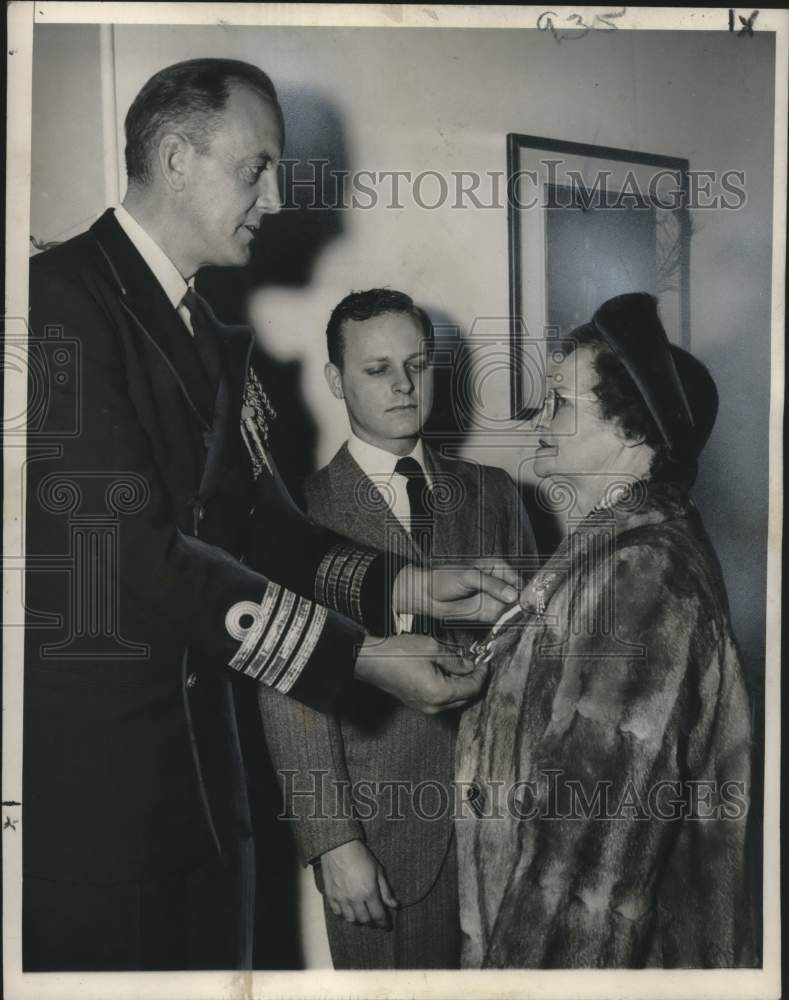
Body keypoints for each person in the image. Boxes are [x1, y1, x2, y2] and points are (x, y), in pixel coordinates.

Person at [22, 58, 517, 972]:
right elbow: (137, 558)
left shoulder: (204, 332)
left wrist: (407, 581)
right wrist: (361, 656)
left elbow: (265, 531)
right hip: (105, 799)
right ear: (176, 158)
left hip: (207, 793)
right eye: (257, 168)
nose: (277, 195)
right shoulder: (58, 301)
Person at [456, 292, 757, 968]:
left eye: (560, 402)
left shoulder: (642, 574)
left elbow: (585, 855)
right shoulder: (609, 552)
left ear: (629, 431)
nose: (539, 416)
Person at [259, 288, 537, 968]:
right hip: (381, 839)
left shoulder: (496, 492)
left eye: (417, 364)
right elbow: (282, 685)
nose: (403, 385)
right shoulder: (292, 515)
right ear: (335, 380)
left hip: (505, 825)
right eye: (376, 369)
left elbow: (536, 655)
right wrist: (332, 841)